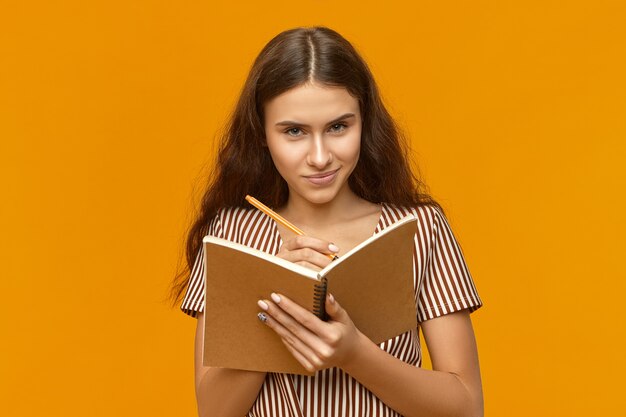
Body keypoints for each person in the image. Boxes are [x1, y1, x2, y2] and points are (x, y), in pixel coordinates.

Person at [169, 26, 484, 417]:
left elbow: (467, 407)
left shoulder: (420, 229)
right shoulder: (231, 235)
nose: (320, 157)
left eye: (338, 127)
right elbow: (214, 412)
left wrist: (354, 354)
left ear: (363, 122)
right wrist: (276, 293)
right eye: (294, 131)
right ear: (263, 134)